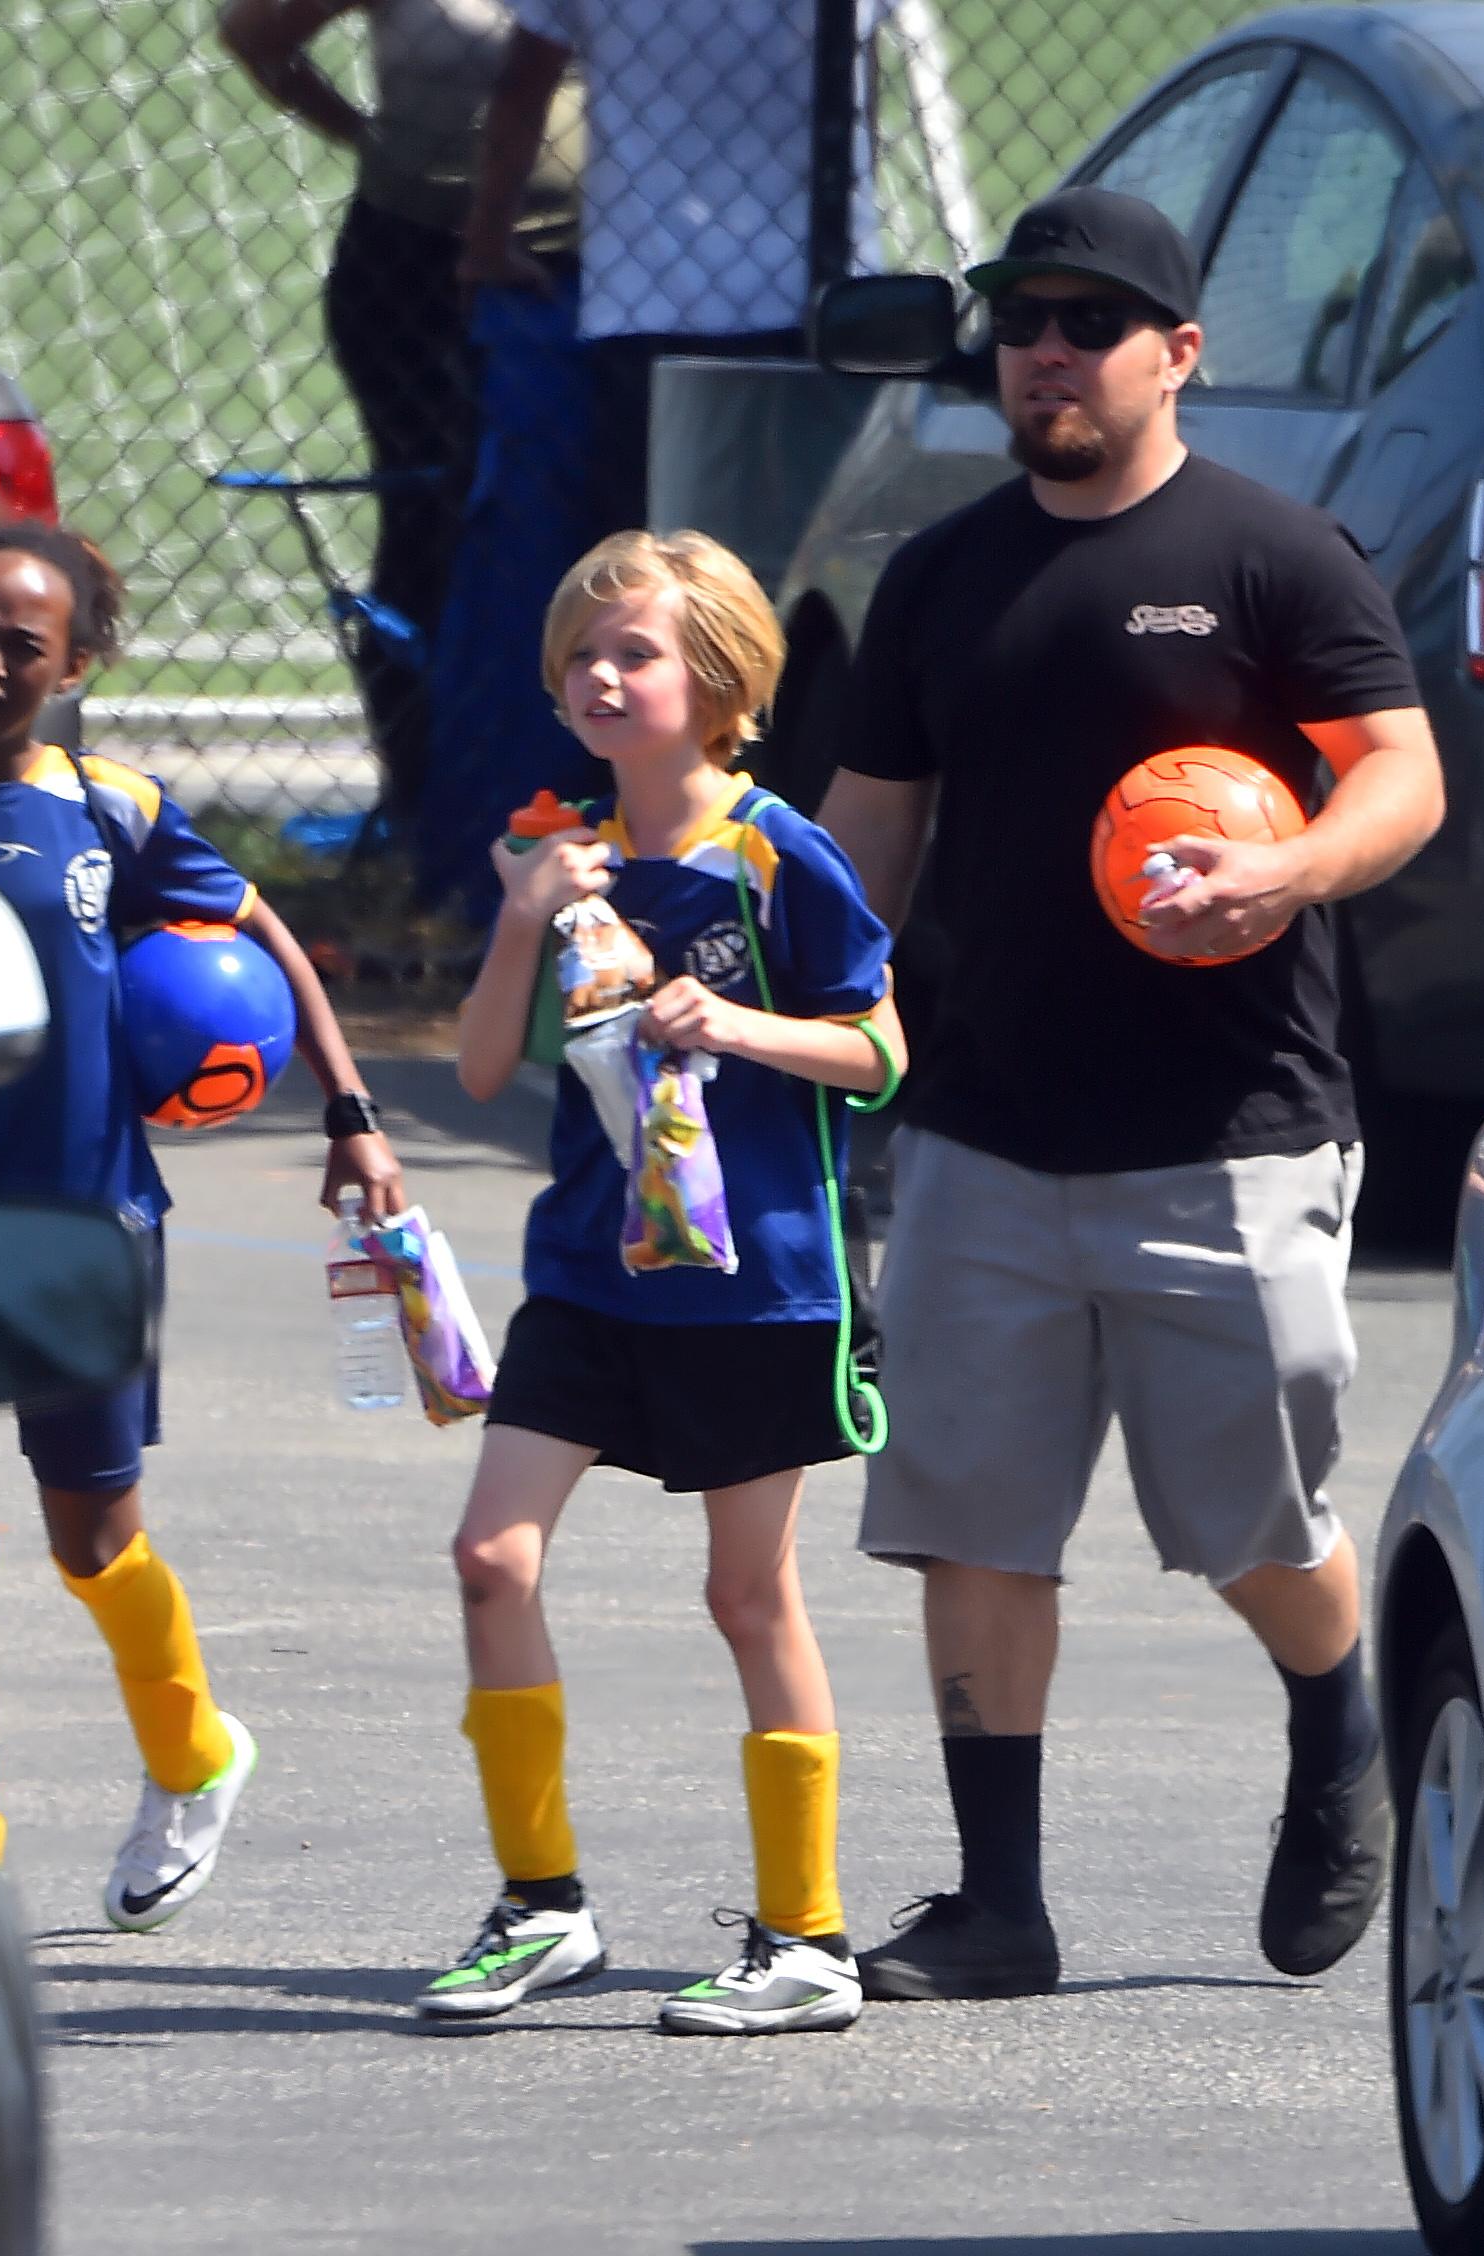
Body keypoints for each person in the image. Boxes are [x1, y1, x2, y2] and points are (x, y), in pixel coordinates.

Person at [817, 187, 1446, 2002]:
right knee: (968, 1515)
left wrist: (1292, 873)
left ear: (1178, 352)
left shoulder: (1272, 556)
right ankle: (997, 1903)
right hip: (981, 1131)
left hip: (1227, 1129)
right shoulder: (939, 576)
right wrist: (741, 973)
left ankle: (1341, 1735)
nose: (1045, 351)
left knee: (1249, 1522)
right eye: (1021, 320)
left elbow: (1393, 775)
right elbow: (869, 838)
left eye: (1090, 322)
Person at [0, 521, 406, 1928]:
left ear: (73, 664)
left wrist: (350, 1114)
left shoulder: (116, 812)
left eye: (24, 642)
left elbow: (266, 937)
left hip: (82, 1230)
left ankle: (196, 1753)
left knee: (90, 1538)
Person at [418, 529, 904, 2034]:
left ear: (719, 679)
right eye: (580, 654)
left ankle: (806, 1939)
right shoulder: (561, 856)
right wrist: (517, 916)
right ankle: (541, 1904)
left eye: (632, 652)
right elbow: (487, 1067)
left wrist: (740, 1028)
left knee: (745, 1594)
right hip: (587, 1272)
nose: (600, 677)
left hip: (754, 1283)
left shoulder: (774, 852)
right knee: (492, 1557)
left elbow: (880, 1054)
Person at [219, 0, 582, 827]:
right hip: (415, 270)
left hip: (591, 277)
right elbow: (255, 35)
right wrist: (364, 133)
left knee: (585, 531)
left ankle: (583, 785)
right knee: (432, 533)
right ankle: (428, 803)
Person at [458, 0, 885, 530]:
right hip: (825, 295)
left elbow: (524, 86)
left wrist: (488, 243)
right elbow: (862, 77)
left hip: (654, 303)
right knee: (820, 547)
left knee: (660, 559)